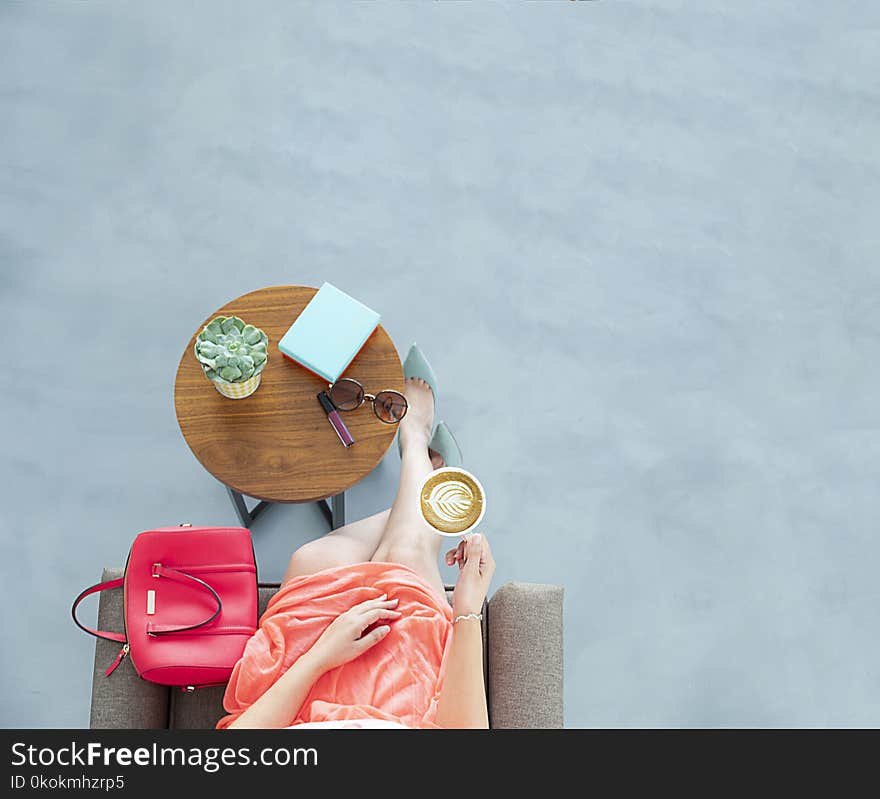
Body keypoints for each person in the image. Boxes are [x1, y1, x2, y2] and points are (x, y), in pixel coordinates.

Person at [219, 377, 495, 729]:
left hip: (301, 695)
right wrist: (468, 611)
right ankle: (415, 444)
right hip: (398, 700)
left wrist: (321, 655)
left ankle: (426, 491)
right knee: (402, 558)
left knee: (310, 559)